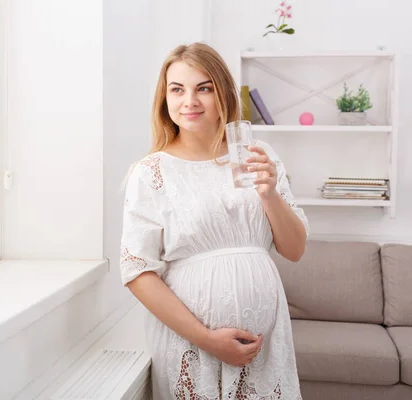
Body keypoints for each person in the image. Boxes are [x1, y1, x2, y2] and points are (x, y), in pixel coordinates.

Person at [119, 42, 308, 399]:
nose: (189, 101)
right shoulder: (151, 172)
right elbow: (137, 272)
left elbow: (295, 249)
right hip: (194, 345)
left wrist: (269, 195)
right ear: (165, 98)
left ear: (222, 92)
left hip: (267, 346)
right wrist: (208, 340)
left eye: (203, 88)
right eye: (178, 89)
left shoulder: (258, 155)